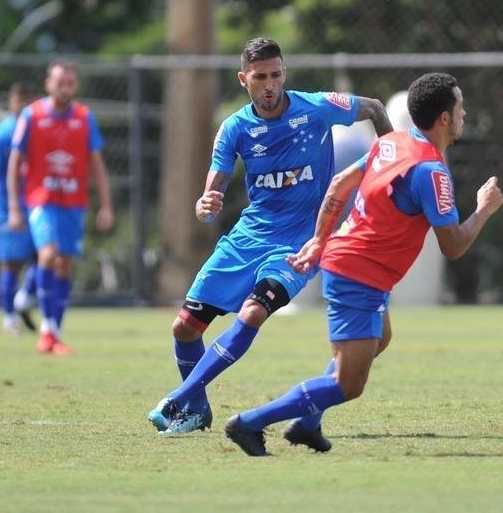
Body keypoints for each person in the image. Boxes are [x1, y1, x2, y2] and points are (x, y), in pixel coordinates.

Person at [223, 72, 503, 457]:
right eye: (460, 107)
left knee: (380, 339)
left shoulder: (392, 144)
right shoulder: (432, 173)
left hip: (354, 266)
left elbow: (339, 183)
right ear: (444, 118)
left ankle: (307, 423)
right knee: (348, 384)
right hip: (359, 275)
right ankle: (250, 422)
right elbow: (453, 246)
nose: (465, 114)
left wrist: (320, 239)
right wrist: (484, 210)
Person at [147, 37, 393, 436]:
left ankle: (178, 397)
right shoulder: (235, 127)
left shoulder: (316, 107)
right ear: (243, 79)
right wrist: (206, 200)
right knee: (184, 328)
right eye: (260, 77)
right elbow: (216, 181)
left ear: (284, 73)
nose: (270, 85)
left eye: (276, 75)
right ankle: (195, 410)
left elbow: (376, 109)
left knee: (253, 312)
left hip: (299, 240)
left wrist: (390, 163)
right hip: (248, 236)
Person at [8, 60, 115, 355]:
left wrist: (106, 206)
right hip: (41, 200)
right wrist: (14, 208)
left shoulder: (84, 117)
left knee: (65, 263)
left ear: (75, 85)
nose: (65, 87)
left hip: (74, 202)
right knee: (49, 254)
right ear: (48, 84)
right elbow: (14, 162)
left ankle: (54, 330)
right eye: (59, 81)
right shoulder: (31, 115)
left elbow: (97, 165)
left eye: (70, 82)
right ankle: (47, 331)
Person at [0, 81, 39, 335]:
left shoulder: (39, 130)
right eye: (19, 101)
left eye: (28, 101)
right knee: (11, 264)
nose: (23, 106)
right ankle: (9, 318)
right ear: (11, 103)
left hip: (38, 205)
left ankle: (24, 297)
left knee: (47, 257)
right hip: (5, 207)